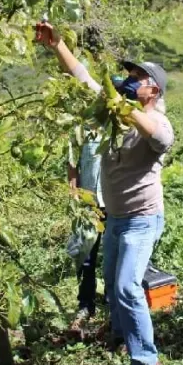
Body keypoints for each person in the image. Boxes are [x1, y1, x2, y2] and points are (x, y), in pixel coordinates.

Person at [35, 21, 174, 365]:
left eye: (136, 78)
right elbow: (82, 76)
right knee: (112, 283)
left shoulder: (157, 119)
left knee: (128, 285)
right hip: (115, 217)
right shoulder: (116, 112)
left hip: (142, 220)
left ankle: (147, 361)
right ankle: (118, 335)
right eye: (126, 75)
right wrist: (57, 45)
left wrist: (122, 108)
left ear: (153, 90)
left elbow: (159, 138)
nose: (127, 81)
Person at [68, 130, 106, 325]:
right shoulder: (81, 128)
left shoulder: (121, 120)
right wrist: (74, 194)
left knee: (114, 255)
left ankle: (112, 299)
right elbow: (72, 163)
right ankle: (85, 305)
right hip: (89, 203)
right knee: (86, 256)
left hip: (115, 202)